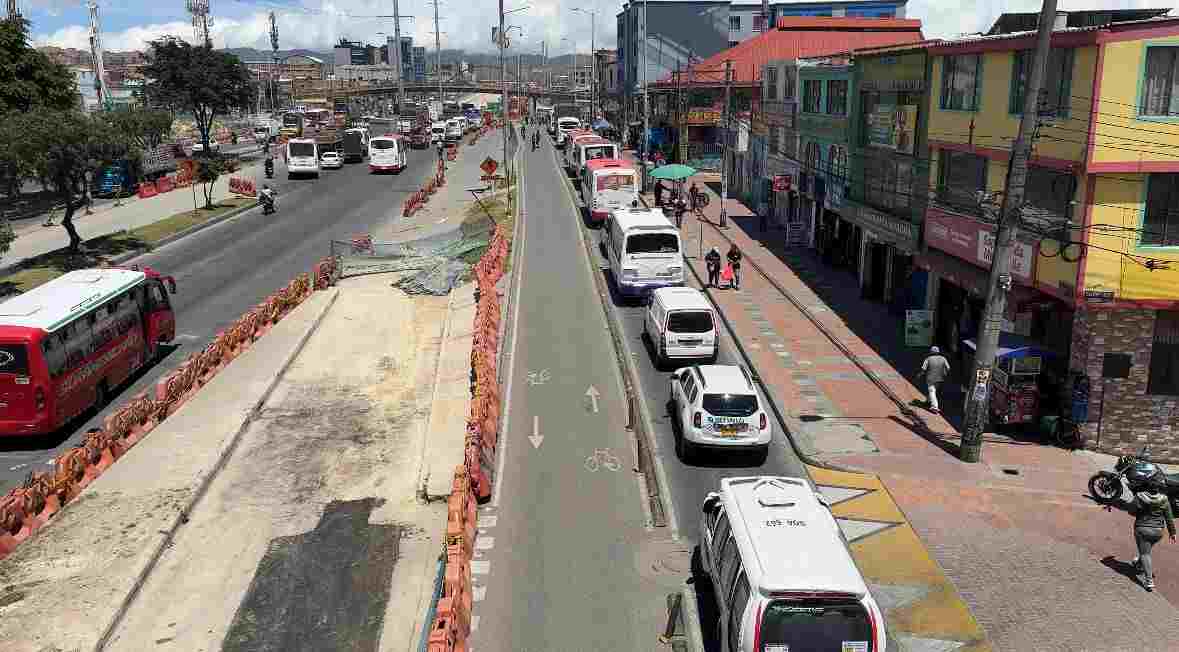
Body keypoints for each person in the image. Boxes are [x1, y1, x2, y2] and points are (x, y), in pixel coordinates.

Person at [1126, 477, 1176, 591]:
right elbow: (1169, 517)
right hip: (1158, 531)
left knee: (1145, 554)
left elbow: (1131, 511)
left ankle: (1149, 581)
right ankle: (1138, 563)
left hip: (1142, 529)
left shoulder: (1139, 496)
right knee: (1145, 551)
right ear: (1158, 488)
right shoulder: (1164, 499)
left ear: (1147, 486)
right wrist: (1172, 532)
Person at [920, 346, 951, 414]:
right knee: (933, 390)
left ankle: (935, 407)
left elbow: (923, 369)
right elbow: (948, 368)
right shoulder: (943, 358)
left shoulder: (928, 359)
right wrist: (945, 373)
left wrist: (920, 374)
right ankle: (928, 401)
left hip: (930, 378)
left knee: (932, 391)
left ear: (931, 352)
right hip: (940, 378)